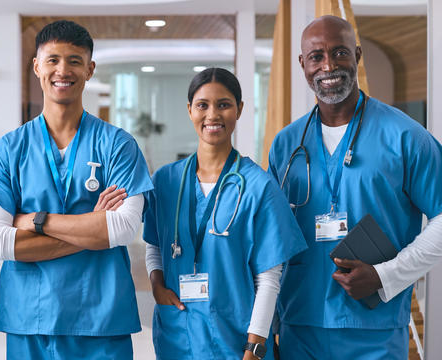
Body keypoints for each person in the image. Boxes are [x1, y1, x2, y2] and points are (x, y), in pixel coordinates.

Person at [0, 20, 153, 359]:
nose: (62, 70)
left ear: (90, 69)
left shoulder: (118, 147)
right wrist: (93, 228)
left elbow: (124, 229)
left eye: (74, 60)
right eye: (52, 59)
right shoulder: (7, 151)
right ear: (37, 66)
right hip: (30, 321)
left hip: (102, 318)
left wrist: (36, 220)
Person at [268, 15, 442, 359]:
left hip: (374, 331)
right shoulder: (286, 144)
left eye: (340, 53)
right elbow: (271, 237)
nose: (328, 66)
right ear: (303, 64)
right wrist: (267, 325)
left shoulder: (407, 137)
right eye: (316, 56)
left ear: (357, 55)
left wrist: (385, 275)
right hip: (298, 326)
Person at [143, 68, 307, 360]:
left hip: (236, 339)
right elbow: (154, 243)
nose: (212, 115)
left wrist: (255, 346)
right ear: (190, 110)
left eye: (224, 104)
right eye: (202, 105)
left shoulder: (259, 186)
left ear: (239, 110)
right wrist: (156, 284)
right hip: (177, 336)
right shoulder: (165, 181)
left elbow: (270, 277)